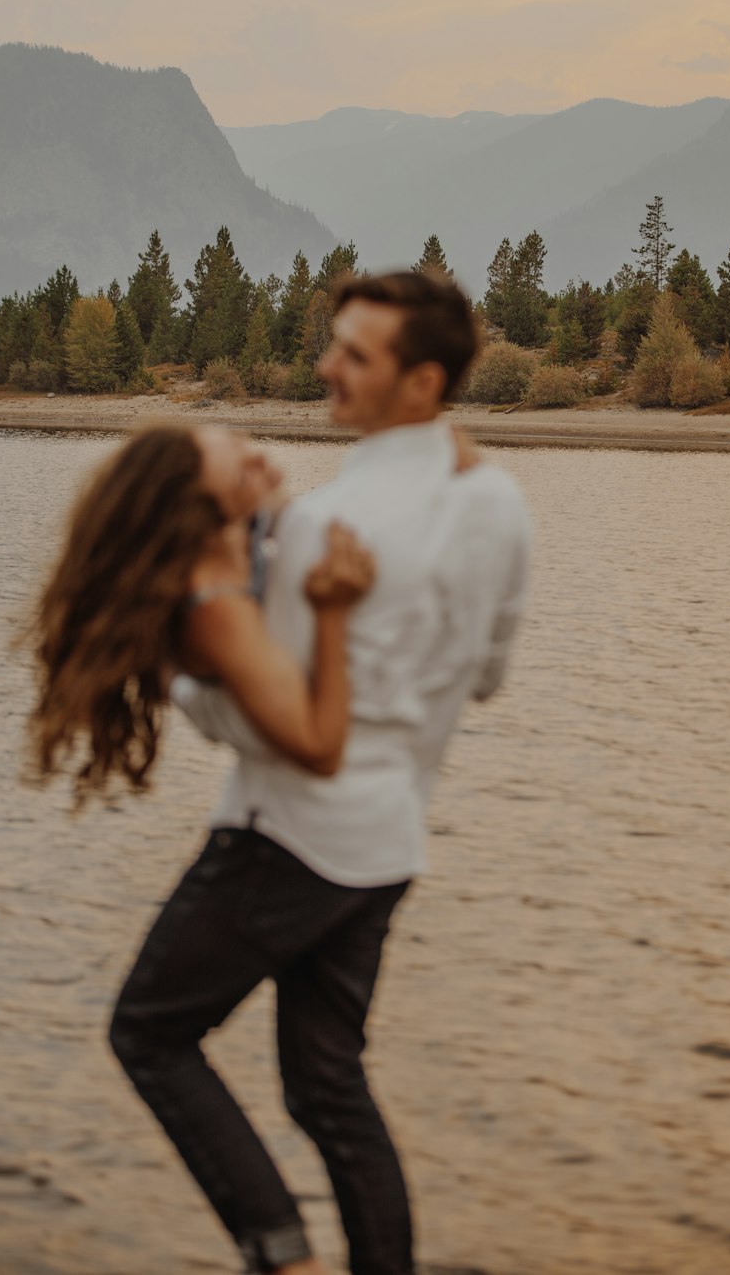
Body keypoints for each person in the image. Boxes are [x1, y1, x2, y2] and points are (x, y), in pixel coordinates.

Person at [108, 271, 532, 1275]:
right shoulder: (500, 502)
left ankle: (280, 1255)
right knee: (326, 1085)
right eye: (333, 343)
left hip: (288, 836)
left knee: (149, 1033)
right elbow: (485, 682)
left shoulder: (318, 529)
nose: (324, 366)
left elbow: (277, 723)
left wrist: (180, 678)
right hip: (388, 844)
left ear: (421, 383)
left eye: (353, 353)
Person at [26, 420, 375, 803]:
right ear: (206, 525)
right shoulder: (217, 608)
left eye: (239, 440)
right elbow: (321, 749)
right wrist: (332, 612)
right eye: (244, 474)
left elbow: (279, 505)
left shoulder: (232, 535)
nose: (260, 456)